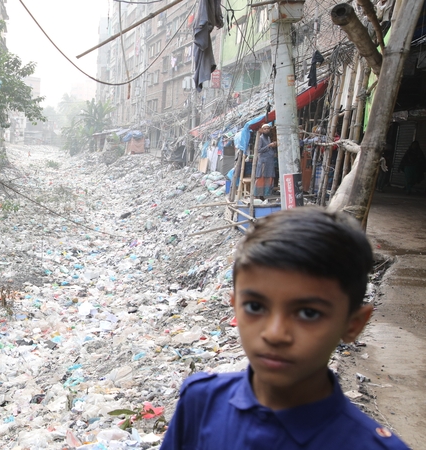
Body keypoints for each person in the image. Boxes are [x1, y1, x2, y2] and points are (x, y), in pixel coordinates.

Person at [159, 207, 410, 450]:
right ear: (235, 307)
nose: (275, 334)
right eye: (255, 307)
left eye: (308, 313)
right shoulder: (201, 402)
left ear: (354, 324)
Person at [255, 123, 277, 198]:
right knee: (261, 178)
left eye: (268, 128)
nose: (267, 130)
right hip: (263, 162)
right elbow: (259, 150)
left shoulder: (268, 138)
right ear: (262, 130)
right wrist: (269, 145)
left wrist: (273, 145)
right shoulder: (261, 138)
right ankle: (259, 195)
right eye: (265, 129)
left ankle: (266, 194)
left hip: (269, 162)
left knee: (269, 178)